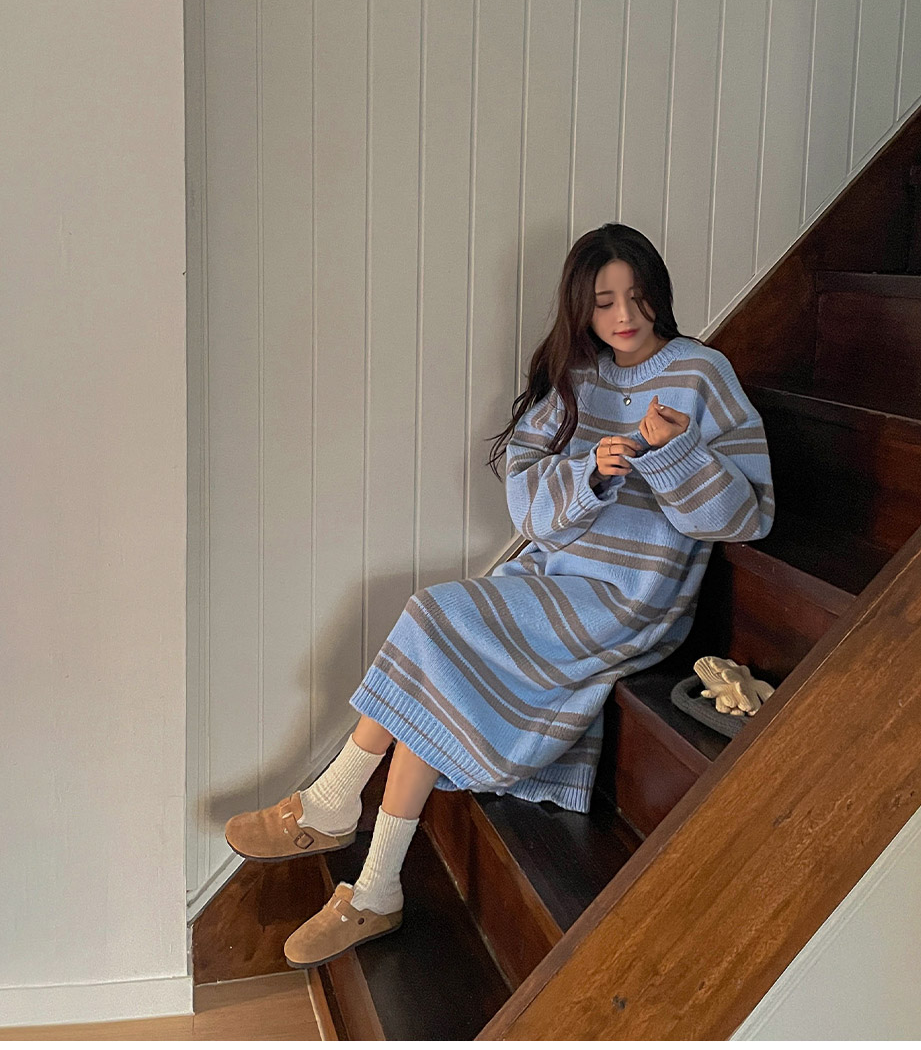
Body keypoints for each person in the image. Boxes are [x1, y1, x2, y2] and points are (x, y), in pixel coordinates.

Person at [225, 222, 775, 969]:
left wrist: (673, 452)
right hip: (552, 579)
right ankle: (374, 883)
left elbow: (747, 517)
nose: (624, 316)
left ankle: (335, 804)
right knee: (438, 651)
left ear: (659, 295)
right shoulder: (576, 378)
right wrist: (593, 472)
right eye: (604, 301)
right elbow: (527, 506)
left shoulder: (703, 374)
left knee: (433, 619)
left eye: (637, 296)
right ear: (579, 307)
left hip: (630, 599)